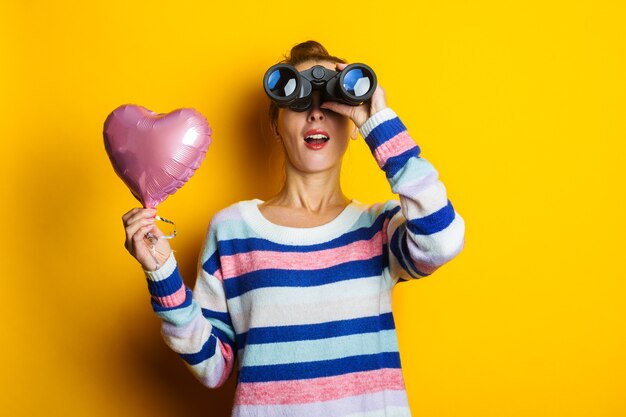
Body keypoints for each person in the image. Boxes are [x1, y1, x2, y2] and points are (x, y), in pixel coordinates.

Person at [122, 40, 465, 417]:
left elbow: (442, 241)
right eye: (299, 101)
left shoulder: (379, 227)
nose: (316, 114)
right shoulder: (234, 230)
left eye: (331, 102)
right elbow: (213, 367)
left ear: (353, 125)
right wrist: (162, 275)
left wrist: (379, 122)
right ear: (275, 123)